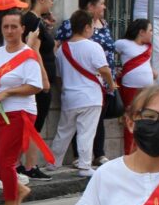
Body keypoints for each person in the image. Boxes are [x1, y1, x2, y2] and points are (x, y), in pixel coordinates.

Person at [0, 10, 48, 205]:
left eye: (13, 27)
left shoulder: (28, 55)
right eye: (5, 27)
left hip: (19, 112)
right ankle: (18, 188)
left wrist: (8, 92)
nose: (9, 31)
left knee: (5, 160)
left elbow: (36, 86)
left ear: (22, 29)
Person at [48, 10, 117, 177]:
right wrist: (111, 85)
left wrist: (65, 90)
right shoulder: (93, 47)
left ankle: (52, 163)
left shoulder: (61, 50)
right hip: (90, 96)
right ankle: (85, 167)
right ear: (87, 27)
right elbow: (104, 70)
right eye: (92, 27)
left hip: (69, 97)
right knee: (86, 132)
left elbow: (58, 77)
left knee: (64, 131)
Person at [18, 0, 56, 181]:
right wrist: (44, 78)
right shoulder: (33, 22)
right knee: (35, 125)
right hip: (38, 80)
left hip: (35, 78)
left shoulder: (34, 20)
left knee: (31, 125)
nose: (52, 2)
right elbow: (35, 51)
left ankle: (23, 165)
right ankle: (29, 166)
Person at [115, 19, 158, 154]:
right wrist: (114, 70)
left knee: (146, 117)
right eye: (150, 30)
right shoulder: (122, 44)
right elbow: (105, 53)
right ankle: (129, 151)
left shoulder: (147, 47)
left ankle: (144, 148)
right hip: (131, 87)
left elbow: (145, 63)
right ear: (141, 32)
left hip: (147, 88)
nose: (152, 33)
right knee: (131, 117)